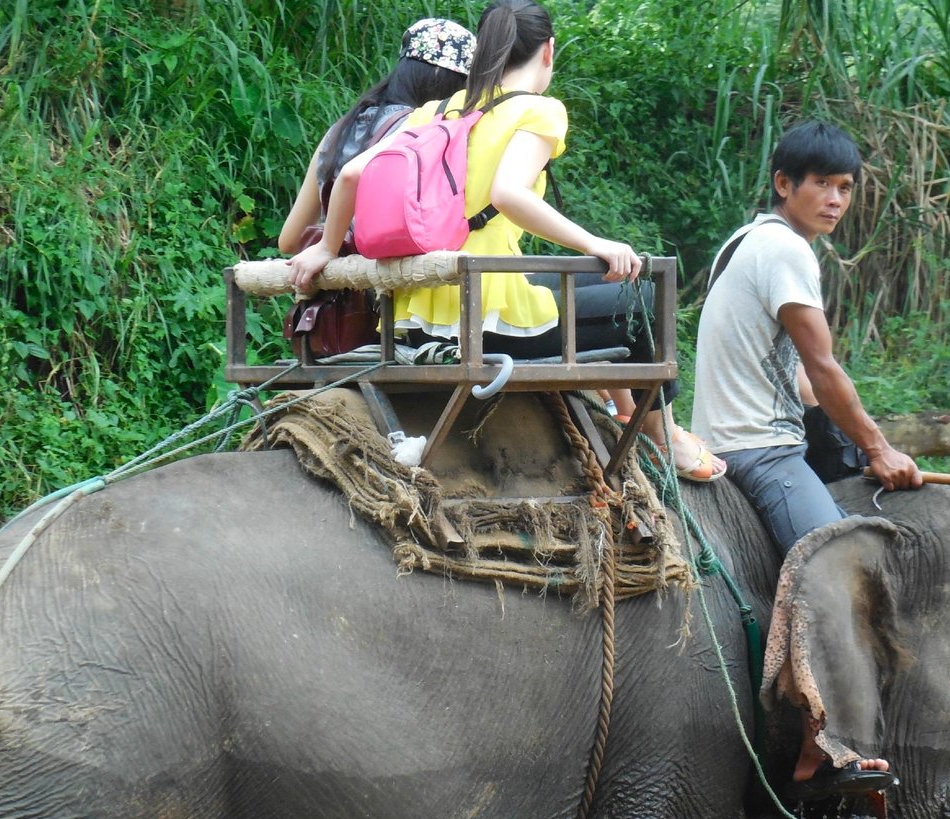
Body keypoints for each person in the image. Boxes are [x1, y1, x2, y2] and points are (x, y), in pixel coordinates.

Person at [286, 0, 724, 483]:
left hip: (415, 322)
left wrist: (327, 248)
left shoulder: (437, 109)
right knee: (639, 296)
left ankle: (627, 417)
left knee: (576, 287)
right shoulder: (540, 111)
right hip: (490, 324)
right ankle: (667, 441)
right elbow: (508, 194)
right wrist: (594, 242)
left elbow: (350, 174)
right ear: (548, 51)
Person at [692, 120, 922, 796]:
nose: (835, 199)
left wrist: (859, 446)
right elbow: (821, 368)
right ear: (784, 184)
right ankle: (825, 747)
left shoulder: (745, 242)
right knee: (837, 566)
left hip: (741, 433)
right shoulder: (786, 251)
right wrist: (879, 448)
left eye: (846, 187)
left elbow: (793, 375)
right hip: (759, 448)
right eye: (821, 183)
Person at [278, 17, 477, 255]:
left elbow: (289, 241)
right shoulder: (421, 132)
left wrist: (330, 240)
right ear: (440, 75)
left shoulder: (339, 130)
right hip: (387, 286)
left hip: (333, 285)